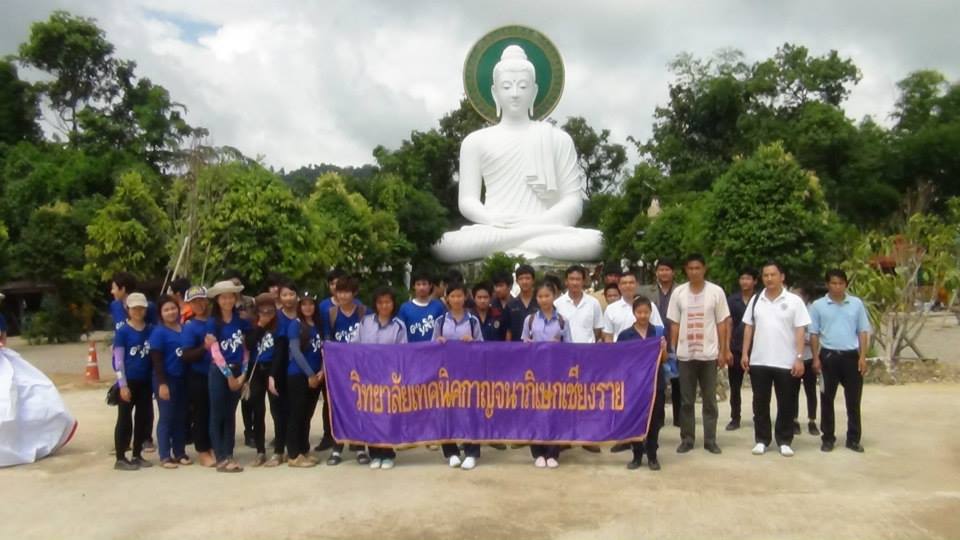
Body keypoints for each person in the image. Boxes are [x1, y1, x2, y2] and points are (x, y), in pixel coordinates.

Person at [740, 261, 811, 457]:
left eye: (773, 274)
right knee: (760, 403)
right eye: (765, 275)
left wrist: (799, 358)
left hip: (786, 361)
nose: (769, 278)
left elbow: (800, 330)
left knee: (786, 402)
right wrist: (745, 353)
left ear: (782, 277)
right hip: (759, 360)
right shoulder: (756, 300)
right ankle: (762, 439)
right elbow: (748, 327)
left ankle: (784, 440)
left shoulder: (794, 301)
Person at [666, 254, 730, 455]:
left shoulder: (716, 292)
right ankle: (687, 438)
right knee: (686, 401)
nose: (694, 272)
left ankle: (710, 440)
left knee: (709, 400)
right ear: (686, 270)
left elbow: (722, 323)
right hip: (686, 354)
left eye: (697, 268)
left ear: (704, 269)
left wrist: (723, 350)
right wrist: (673, 349)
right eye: (690, 268)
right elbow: (674, 323)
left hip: (708, 354)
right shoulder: (679, 293)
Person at [809, 269, 872, 453]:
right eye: (833, 283)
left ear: (846, 284)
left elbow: (862, 331)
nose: (837, 287)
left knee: (853, 400)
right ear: (827, 284)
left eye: (841, 283)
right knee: (826, 399)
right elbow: (813, 334)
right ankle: (828, 438)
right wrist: (815, 358)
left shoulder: (856, 304)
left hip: (851, 357)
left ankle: (853, 438)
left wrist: (862, 356)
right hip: (828, 357)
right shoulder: (818, 306)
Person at [353, 287, 408, 469]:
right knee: (371, 414)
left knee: (388, 415)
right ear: (375, 304)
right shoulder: (365, 322)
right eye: (380, 302)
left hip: (389, 378)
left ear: (393, 304)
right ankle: (375, 453)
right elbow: (354, 346)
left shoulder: (399, 326)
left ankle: (388, 454)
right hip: (368, 377)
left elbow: (403, 353)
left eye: (388, 302)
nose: (384, 305)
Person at [433, 283, 484, 470]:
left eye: (459, 296)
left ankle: (471, 452)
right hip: (446, 374)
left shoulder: (473, 321)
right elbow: (431, 347)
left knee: (470, 411)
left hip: (468, 374)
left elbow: (483, 346)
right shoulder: (440, 321)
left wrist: (473, 342)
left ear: (465, 297)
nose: (456, 299)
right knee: (447, 411)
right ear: (447, 298)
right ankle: (451, 452)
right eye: (452, 296)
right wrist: (438, 342)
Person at [522, 281, 572, 468]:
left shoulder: (563, 321)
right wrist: (527, 344)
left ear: (554, 296)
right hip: (534, 373)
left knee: (554, 411)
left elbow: (570, 347)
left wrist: (559, 346)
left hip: (555, 372)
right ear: (536, 298)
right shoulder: (530, 320)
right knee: (535, 411)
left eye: (547, 296)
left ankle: (552, 452)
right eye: (540, 296)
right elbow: (523, 344)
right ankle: (537, 452)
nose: (544, 300)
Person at [204, 280, 252, 472]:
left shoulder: (240, 320)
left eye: (231, 296)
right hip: (219, 371)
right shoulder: (213, 322)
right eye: (223, 297)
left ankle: (229, 452)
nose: (228, 300)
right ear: (217, 300)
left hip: (238, 369)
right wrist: (229, 376)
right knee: (217, 413)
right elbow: (215, 351)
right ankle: (220, 456)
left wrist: (243, 374)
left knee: (230, 414)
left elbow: (246, 348)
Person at [616, 297, 668, 471]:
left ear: (651, 313)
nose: (643, 315)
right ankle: (637, 455)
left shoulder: (658, 332)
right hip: (634, 385)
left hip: (655, 382)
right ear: (634, 313)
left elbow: (664, 360)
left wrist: (663, 349)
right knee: (635, 419)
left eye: (646, 312)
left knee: (654, 420)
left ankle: (652, 455)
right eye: (639, 312)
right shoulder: (625, 335)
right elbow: (619, 360)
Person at [109, 272, 156, 452]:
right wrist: (122, 384)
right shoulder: (122, 330)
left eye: (141, 309)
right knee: (124, 415)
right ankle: (121, 453)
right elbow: (119, 359)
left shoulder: (150, 328)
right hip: (128, 375)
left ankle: (139, 449)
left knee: (143, 414)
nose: (138, 312)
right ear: (128, 310)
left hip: (145, 375)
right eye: (134, 309)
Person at [325, 276, 369, 465]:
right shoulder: (331, 313)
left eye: (347, 292)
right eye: (340, 291)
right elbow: (327, 339)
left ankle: (360, 447)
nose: (342, 295)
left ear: (354, 293)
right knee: (338, 406)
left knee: (360, 405)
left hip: (360, 367)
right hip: (338, 368)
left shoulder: (364, 312)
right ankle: (337, 447)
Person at [148, 295, 190, 469]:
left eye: (173, 308)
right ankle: (165, 455)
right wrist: (162, 384)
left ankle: (180, 452)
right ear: (160, 313)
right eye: (166, 310)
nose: (171, 312)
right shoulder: (158, 333)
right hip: (166, 379)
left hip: (183, 378)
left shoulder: (184, 329)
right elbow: (157, 361)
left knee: (181, 417)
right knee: (166, 417)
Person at [641, 259, 683, 428]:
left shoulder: (681, 290)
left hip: (677, 339)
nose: (664, 273)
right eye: (661, 270)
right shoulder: (646, 291)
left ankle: (679, 418)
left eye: (667, 270)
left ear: (673, 272)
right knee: (658, 380)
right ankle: (659, 417)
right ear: (656, 272)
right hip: (654, 339)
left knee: (678, 380)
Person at [286, 293, 324, 468]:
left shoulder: (317, 325)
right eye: (304, 304)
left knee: (307, 415)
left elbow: (323, 350)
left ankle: (304, 449)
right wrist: (310, 374)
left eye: (311, 304)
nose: (308, 307)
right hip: (299, 375)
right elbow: (296, 352)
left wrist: (321, 371)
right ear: (299, 307)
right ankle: (293, 454)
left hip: (316, 375)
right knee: (296, 414)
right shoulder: (295, 325)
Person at [246, 293, 283, 467]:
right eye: (263, 310)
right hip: (256, 370)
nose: (267, 313)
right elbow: (249, 344)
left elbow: (280, 352)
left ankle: (279, 451)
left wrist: (273, 375)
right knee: (258, 410)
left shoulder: (279, 325)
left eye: (270, 310)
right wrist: (260, 326)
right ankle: (260, 451)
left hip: (272, 369)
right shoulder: (251, 324)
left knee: (277, 411)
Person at [180, 286, 216, 467]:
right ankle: (203, 450)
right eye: (194, 301)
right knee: (201, 413)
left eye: (201, 300)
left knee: (216, 412)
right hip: (199, 375)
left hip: (218, 373)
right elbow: (186, 355)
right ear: (189, 304)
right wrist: (204, 348)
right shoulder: (190, 327)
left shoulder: (214, 321)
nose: (199, 304)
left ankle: (214, 446)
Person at [725, 267, 758, 431]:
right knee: (735, 387)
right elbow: (728, 324)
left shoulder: (760, 299)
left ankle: (758, 417)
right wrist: (726, 349)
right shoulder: (732, 300)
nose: (745, 282)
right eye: (742, 278)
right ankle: (735, 417)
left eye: (748, 278)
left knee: (758, 387)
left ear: (755, 281)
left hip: (757, 349)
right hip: (736, 348)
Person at [603, 270, 664, 343]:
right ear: (619, 286)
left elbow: (659, 333)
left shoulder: (650, 305)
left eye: (631, 283)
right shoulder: (611, 309)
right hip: (621, 348)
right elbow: (608, 337)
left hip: (646, 348)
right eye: (624, 283)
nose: (628, 286)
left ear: (637, 285)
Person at [791, 285, 819, 436]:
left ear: (806, 297)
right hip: (794, 357)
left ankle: (812, 420)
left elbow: (815, 334)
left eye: (798, 295)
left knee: (811, 391)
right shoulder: (791, 309)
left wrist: (805, 339)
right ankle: (794, 420)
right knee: (793, 391)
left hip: (809, 357)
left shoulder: (812, 311)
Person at [555, 265, 604, 344]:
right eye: (572, 279)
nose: (575, 283)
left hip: (588, 349)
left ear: (583, 281)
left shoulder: (593, 303)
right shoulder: (557, 304)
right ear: (566, 281)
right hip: (566, 349)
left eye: (578, 279)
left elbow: (597, 330)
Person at [397, 270, 446, 343]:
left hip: (433, 349)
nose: (421, 287)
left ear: (430, 285)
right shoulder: (405, 308)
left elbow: (444, 329)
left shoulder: (438, 306)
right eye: (418, 284)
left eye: (424, 284)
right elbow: (400, 334)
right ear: (414, 286)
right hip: (411, 349)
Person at [505, 265, 539, 342]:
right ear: (517, 281)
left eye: (527, 278)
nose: (524, 282)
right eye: (521, 279)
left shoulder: (541, 303)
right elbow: (508, 331)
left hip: (537, 347)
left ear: (533, 280)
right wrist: (508, 347)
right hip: (516, 347)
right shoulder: (510, 304)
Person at [490, 272, 513, 341]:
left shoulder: (516, 305)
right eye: (496, 286)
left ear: (510, 287)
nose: (497, 289)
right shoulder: (490, 305)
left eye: (501, 286)